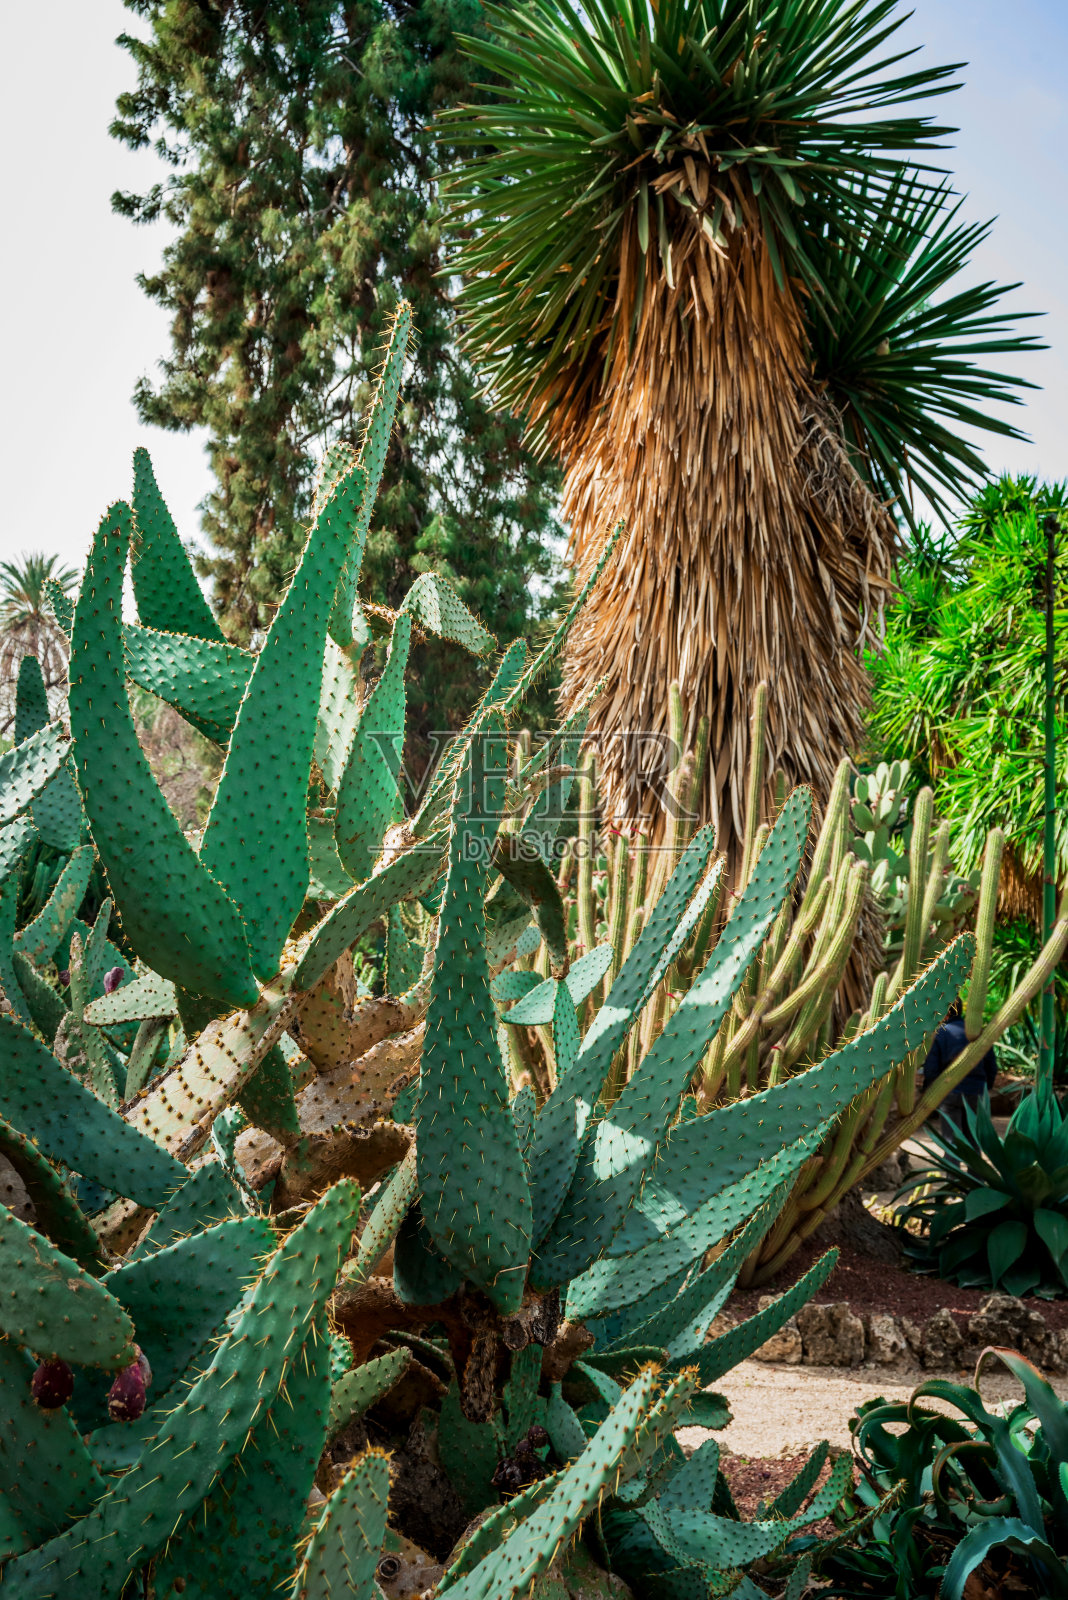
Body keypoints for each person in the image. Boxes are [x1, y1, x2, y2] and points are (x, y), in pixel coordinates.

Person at [921, 997, 998, 1132]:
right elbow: (991, 1065)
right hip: (976, 1092)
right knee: (973, 1139)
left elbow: (931, 1070)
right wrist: (985, 1086)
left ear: (946, 1013)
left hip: (949, 1093)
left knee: (951, 1140)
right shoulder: (979, 1033)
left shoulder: (940, 1034)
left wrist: (931, 1092)